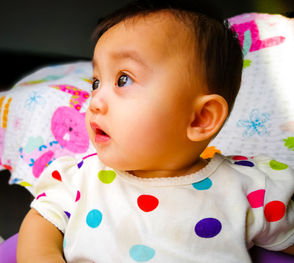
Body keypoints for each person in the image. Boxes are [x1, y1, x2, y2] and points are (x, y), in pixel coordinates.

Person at [15, 0, 293, 262]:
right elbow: (42, 219)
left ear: (200, 118)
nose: (95, 102)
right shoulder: (80, 179)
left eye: (123, 79)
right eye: (96, 82)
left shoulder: (249, 191)